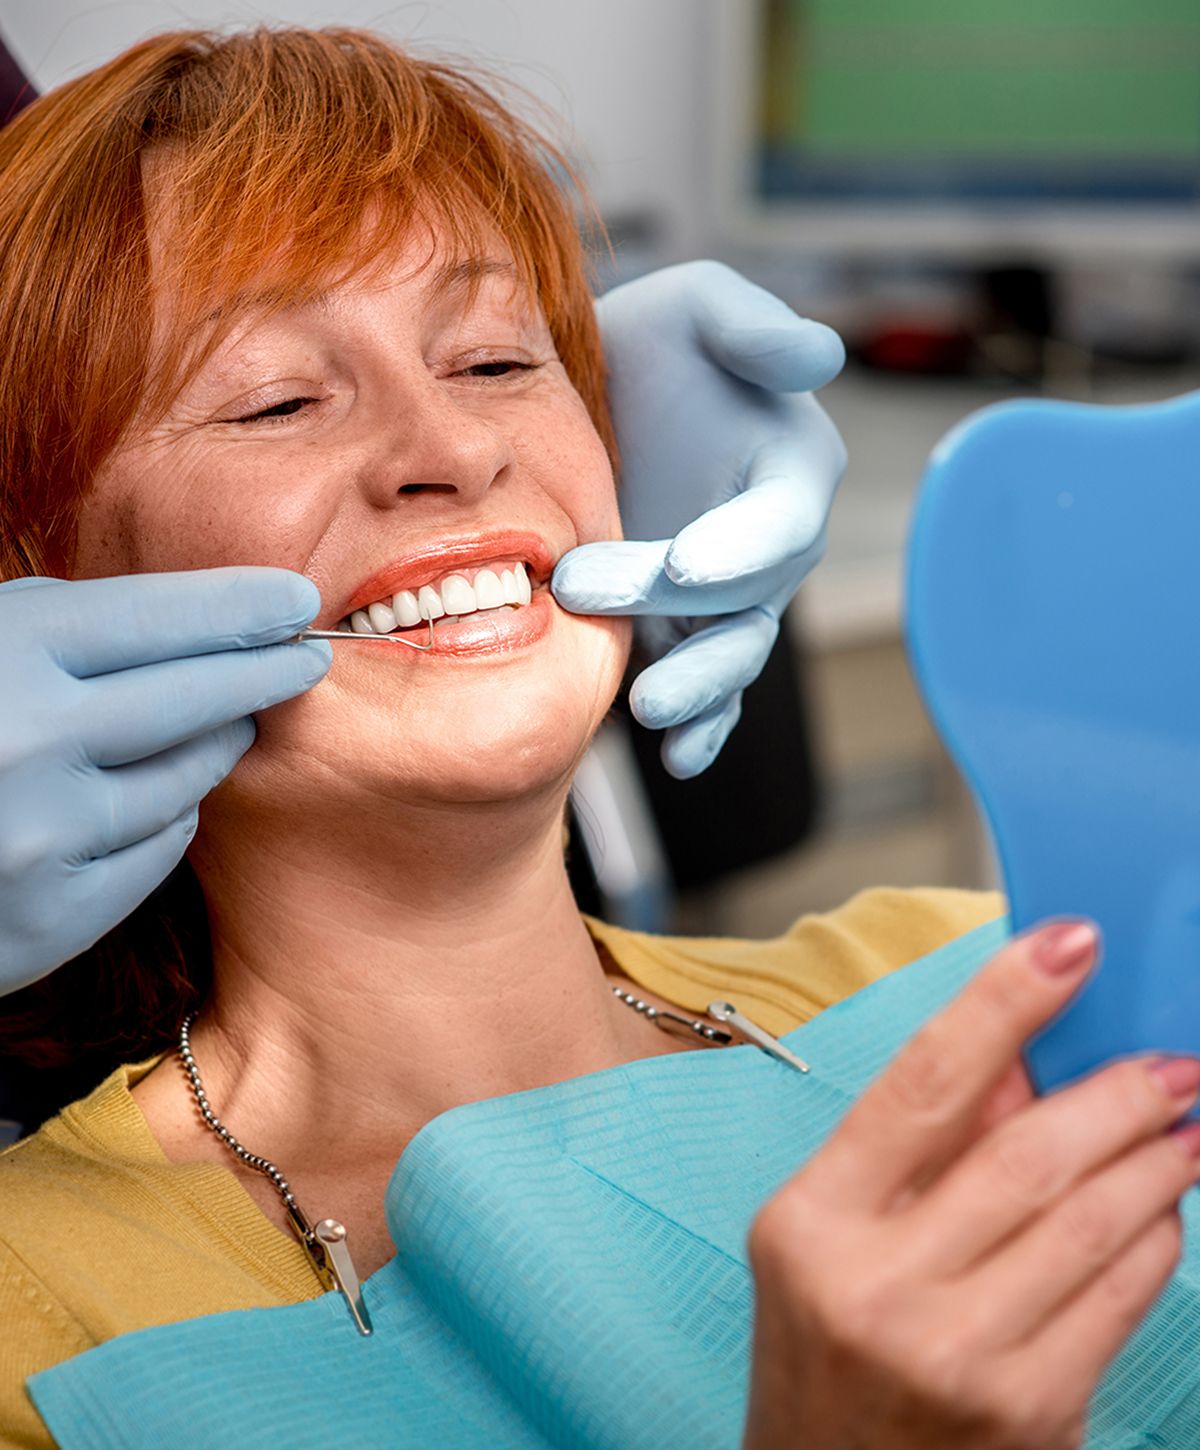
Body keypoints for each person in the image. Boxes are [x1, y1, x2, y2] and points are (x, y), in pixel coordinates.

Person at [0, 28, 1192, 1450]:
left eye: (502, 357)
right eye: (278, 398)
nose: (452, 446)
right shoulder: (44, 1323)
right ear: (42, 583)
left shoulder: (987, 967)